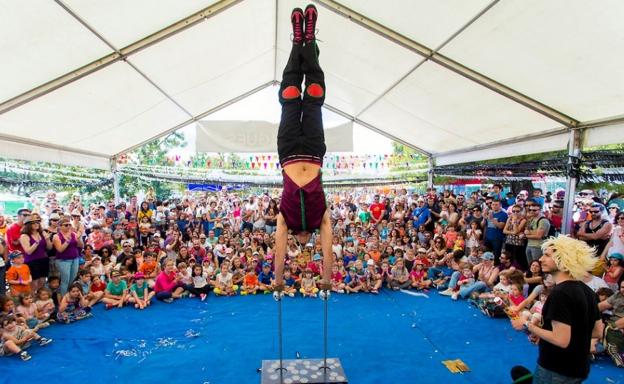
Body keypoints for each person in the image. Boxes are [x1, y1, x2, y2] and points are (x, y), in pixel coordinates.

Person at [273, 5, 333, 297]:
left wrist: (280, 281)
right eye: (307, 241)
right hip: (312, 152)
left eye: (301, 241)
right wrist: (326, 280)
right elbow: (328, 246)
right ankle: (308, 40)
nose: (304, 239)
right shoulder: (321, 217)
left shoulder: (285, 219)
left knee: (289, 95)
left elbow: (279, 250)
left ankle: (298, 41)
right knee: (314, 95)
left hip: (287, 154)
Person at [511, 235, 603, 382]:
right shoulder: (588, 291)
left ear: (564, 260)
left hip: (556, 368)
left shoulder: (560, 294)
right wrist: (544, 333)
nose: (540, 259)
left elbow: (561, 340)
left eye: (547, 255)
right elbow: (597, 330)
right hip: (579, 367)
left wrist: (526, 324)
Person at [18, 214, 52, 292]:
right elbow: (28, 251)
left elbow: (49, 248)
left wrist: (47, 239)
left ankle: (39, 299)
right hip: (32, 261)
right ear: (28, 225)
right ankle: (32, 300)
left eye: (37, 222)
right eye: (34, 223)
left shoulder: (42, 233)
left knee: (42, 281)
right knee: (34, 283)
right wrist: (36, 242)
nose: (37, 224)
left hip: (43, 259)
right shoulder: (24, 236)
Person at [53, 218, 84, 295]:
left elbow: (81, 246)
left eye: (69, 224)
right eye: (66, 225)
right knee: (65, 280)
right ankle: (63, 299)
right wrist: (67, 241)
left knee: (72, 279)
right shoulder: (56, 236)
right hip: (63, 260)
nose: (68, 226)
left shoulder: (73, 234)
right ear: (60, 226)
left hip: (75, 259)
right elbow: (60, 249)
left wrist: (79, 237)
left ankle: (69, 296)